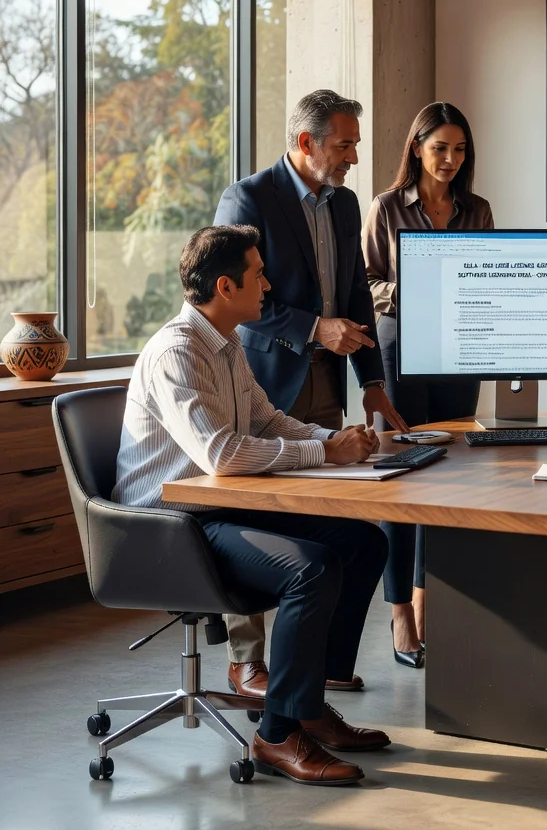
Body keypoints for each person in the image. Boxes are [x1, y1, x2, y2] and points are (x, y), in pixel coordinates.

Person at [112, 225, 393, 786]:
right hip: (170, 528)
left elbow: (265, 422)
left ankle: (307, 705)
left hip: (219, 510)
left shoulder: (226, 342)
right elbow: (220, 453)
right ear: (225, 285)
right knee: (312, 569)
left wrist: (336, 443)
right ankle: (277, 735)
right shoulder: (177, 352)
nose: (268, 284)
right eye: (259, 275)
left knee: (363, 541)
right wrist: (323, 452)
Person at [213, 89, 409, 699]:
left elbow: (355, 296)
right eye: (345, 145)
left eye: (354, 144)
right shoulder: (248, 197)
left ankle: (318, 661)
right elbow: (235, 300)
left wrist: (372, 382)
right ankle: (248, 659)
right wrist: (313, 328)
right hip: (263, 380)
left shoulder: (346, 204)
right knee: (251, 515)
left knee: (327, 516)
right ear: (306, 142)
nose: (354, 156)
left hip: (327, 380)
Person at [362, 102, 494, 665]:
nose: (450, 159)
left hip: (459, 350)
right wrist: (415, 290)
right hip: (398, 352)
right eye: (440, 148)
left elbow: (487, 274)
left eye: (459, 149)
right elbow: (365, 284)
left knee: (449, 476)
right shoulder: (387, 207)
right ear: (416, 148)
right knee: (401, 479)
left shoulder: (477, 209)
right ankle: (400, 615)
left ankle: (426, 602)